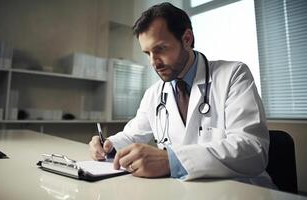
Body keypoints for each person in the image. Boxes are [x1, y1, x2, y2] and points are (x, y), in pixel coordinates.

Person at [89, 2, 274, 187]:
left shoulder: (233, 75)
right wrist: (109, 145)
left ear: (186, 39)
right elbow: (132, 135)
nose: (154, 62)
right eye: (148, 53)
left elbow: (253, 150)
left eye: (160, 49)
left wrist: (171, 161)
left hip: (241, 191)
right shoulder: (154, 94)